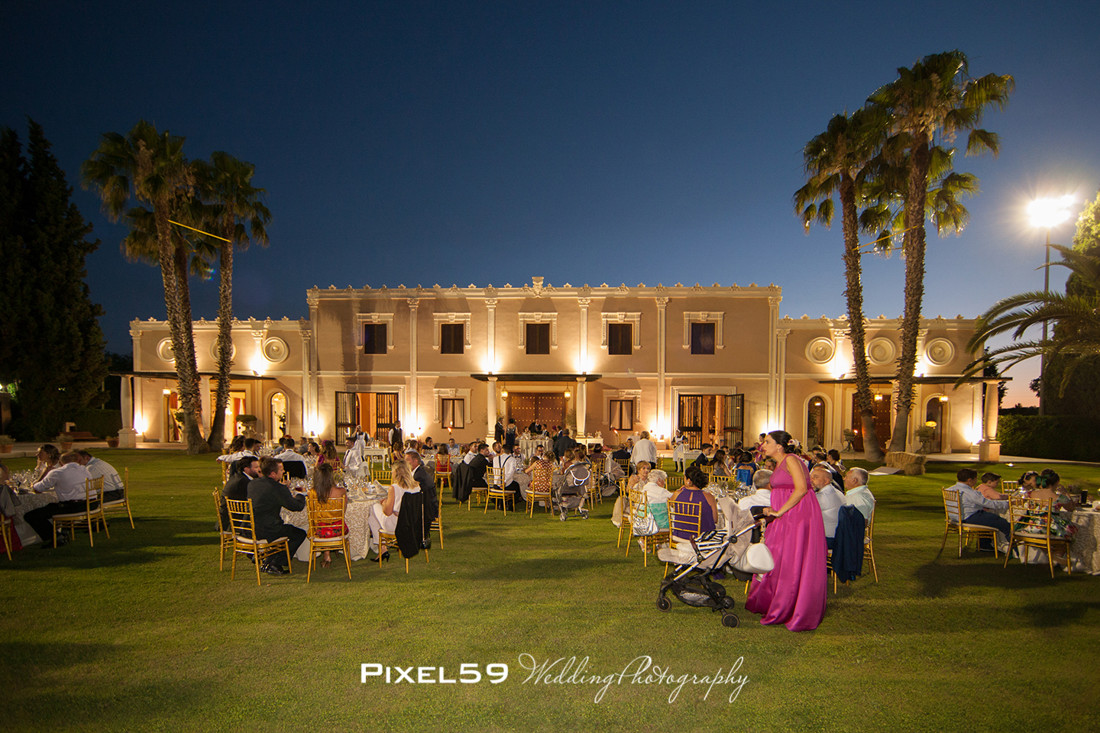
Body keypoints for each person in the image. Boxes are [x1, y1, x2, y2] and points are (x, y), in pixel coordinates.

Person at [745, 430, 827, 632]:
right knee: (776, 555)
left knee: (790, 557)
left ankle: (791, 606)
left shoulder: (792, 459)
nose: (762, 445)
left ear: (779, 446)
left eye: (767, 442)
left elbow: (800, 489)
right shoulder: (781, 462)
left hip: (796, 515)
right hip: (783, 516)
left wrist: (780, 511)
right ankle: (771, 600)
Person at [246, 457, 306, 576]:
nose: (283, 472)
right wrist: (301, 495)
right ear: (273, 473)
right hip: (268, 530)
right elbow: (296, 507)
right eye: (281, 470)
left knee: (283, 529)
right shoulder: (277, 488)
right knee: (299, 534)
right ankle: (275, 562)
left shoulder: (253, 483)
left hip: (249, 527)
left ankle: (268, 559)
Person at [24, 451, 94, 546]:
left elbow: (38, 488)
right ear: (77, 460)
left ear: (61, 463)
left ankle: (56, 537)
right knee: (54, 505)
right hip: (92, 503)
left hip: (75, 507)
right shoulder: (84, 469)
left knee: (32, 515)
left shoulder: (57, 472)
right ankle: (64, 531)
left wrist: (43, 474)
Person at [367, 460, 420, 560]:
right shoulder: (417, 487)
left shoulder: (394, 488)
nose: (391, 473)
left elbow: (387, 512)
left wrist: (383, 503)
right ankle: (382, 548)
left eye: (392, 471)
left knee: (373, 506)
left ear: (397, 472)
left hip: (397, 525)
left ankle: (382, 548)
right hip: (412, 524)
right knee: (372, 518)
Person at [950, 467, 1009, 552]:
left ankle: (985, 545)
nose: (976, 482)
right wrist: (1008, 503)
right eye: (975, 479)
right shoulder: (969, 492)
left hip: (955, 518)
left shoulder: (951, 489)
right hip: (968, 518)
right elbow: (988, 503)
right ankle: (1012, 548)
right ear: (970, 480)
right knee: (1002, 522)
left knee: (988, 517)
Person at [310, 462, 347, 568]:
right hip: (338, 529)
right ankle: (329, 554)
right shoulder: (341, 492)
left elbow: (314, 514)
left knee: (322, 522)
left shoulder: (311, 492)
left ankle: (326, 555)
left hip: (319, 531)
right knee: (332, 521)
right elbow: (343, 512)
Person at [668, 465, 717, 540]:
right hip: (702, 537)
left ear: (688, 480)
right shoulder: (709, 496)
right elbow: (715, 519)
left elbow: (669, 506)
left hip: (680, 535)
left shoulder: (677, 494)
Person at [810, 464, 845, 551]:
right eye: (811, 477)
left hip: (828, 539)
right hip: (838, 536)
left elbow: (802, 512)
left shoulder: (823, 496)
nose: (811, 480)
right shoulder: (836, 492)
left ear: (826, 481)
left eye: (815, 477)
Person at [221, 456, 261, 527]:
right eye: (256, 467)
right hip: (235, 521)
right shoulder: (243, 482)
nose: (259, 470)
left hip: (231, 517)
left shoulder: (238, 477)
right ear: (246, 469)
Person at [404, 449, 438, 525]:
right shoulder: (419, 472)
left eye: (407, 460)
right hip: (427, 504)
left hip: (426, 509)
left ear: (415, 461)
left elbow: (412, 493)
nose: (405, 463)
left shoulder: (419, 476)